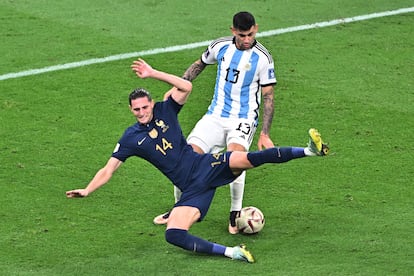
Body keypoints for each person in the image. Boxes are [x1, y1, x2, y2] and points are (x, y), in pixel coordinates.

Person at [66, 58, 329, 263]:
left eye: (146, 106)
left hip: (205, 165)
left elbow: (187, 86)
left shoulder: (165, 109)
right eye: (137, 109)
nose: (143, 112)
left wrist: (153, 73)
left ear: (151, 103)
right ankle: (232, 252)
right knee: (173, 234)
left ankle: (309, 151)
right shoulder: (130, 138)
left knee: (249, 158)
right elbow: (109, 168)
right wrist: (88, 189)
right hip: (192, 191)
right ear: (131, 110)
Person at [153, 11, 277, 234]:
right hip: (215, 116)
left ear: (256, 29)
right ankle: (178, 209)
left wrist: (265, 133)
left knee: (237, 161)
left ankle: (235, 214)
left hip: (243, 119)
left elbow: (268, 96)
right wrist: (179, 85)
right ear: (233, 31)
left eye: (250, 34)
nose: (247, 39)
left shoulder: (263, 58)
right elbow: (199, 64)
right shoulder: (220, 47)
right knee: (184, 160)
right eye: (242, 35)